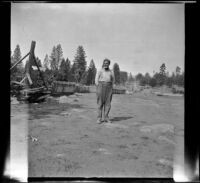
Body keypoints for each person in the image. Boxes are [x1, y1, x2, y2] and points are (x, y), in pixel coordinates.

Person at [95, 58, 115, 124]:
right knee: (100, 103)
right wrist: (98, 87)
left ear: (109, 64)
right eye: (105, 63)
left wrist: (112, 88)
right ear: (103, 63)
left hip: (109, 87)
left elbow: (113, 80)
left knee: (108, 103)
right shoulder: (100, 70)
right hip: (101, 86)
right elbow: (96, 80)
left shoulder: (111, 71)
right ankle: (99, 118)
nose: (106, 64)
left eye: (107, 63)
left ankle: (106, 118)